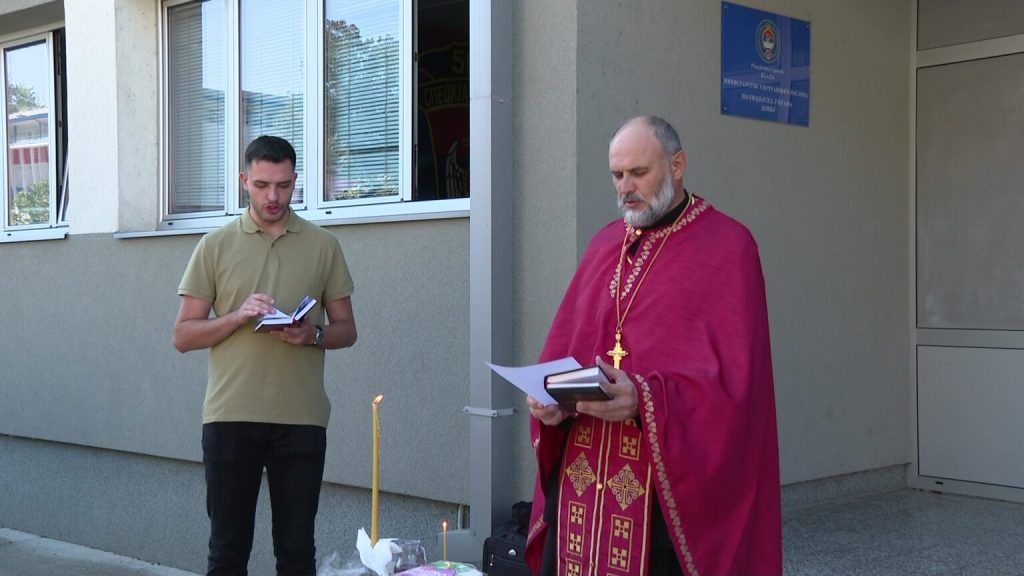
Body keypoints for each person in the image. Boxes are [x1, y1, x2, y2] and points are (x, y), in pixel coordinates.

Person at [524, 116, 781, 576]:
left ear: (677, 165)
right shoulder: (605, 244)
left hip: (663, 485)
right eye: (617, 175)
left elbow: (738, 388)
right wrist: (549, 402)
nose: (625, 187)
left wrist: (644, 399)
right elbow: (564, 350)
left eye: (639, 173)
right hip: (584, 470)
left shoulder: (728, 246)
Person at [172, 135, 357, 576]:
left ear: (296, 181)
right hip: (231, 416)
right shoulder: (214, 245)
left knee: (296, 553)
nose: (273, 197)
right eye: (261, 185)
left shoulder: (323, 245)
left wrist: (313, 335)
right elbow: (182, 335)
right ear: (243, 181)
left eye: (283, 185)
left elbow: (347, 331)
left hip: (302, 419)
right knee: (228, 552)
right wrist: (237, 316)